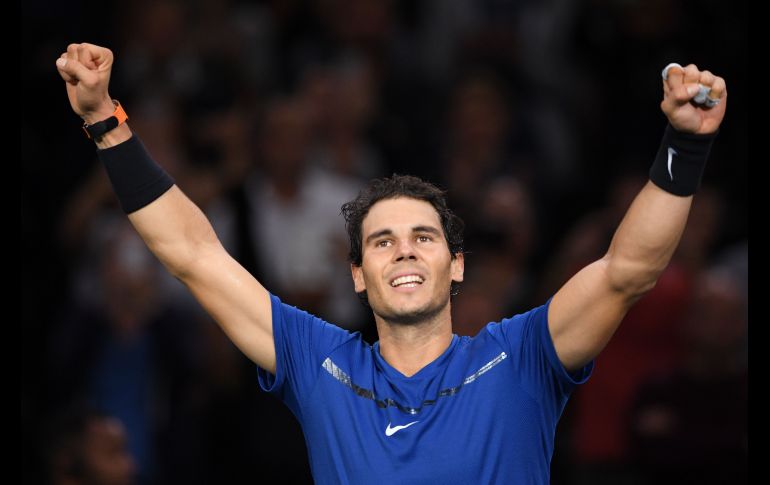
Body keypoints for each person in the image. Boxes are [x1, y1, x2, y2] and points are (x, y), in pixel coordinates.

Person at [55, 42, 727, 484]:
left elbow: (627, 269)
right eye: (381, 240)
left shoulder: (521, 356)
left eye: (423, 237)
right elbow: (193, 254)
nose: (404, 247)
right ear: (358, 275)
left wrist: (685, 145)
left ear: (457, 265)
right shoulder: (319, 362)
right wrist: (106, 124)